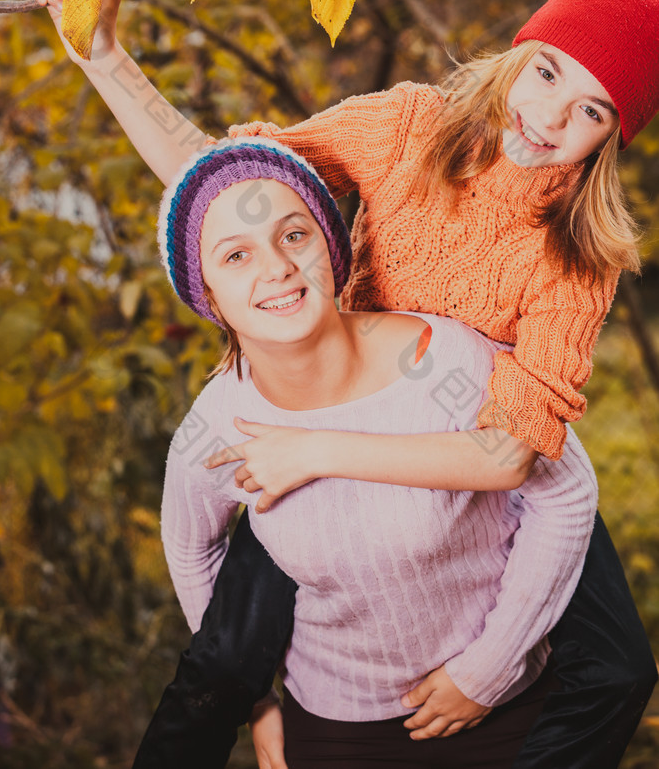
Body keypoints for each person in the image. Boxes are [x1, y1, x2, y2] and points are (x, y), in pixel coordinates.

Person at [33, 0, 659, 768]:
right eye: (546, 74)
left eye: (590, 111)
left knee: (616, 671)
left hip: (474, 448)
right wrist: (105, 60)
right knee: (225, 659)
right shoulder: (406, 127)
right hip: (340, 391)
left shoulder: (577, 253)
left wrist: (482, 669)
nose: (547, 117)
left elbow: (512, 456)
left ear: (611, 135)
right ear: (519, 54)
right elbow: (227, 187)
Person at [156, 136, 599, 769]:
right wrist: (254, 701)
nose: (277, 268)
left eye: (294, 236)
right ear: (207, 296)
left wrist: (489, 670)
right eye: (235, 255)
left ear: (331, 247)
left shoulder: (445, 361)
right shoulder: (214, 431)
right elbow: (190, 546)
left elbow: (566, 496)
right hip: (336, 730)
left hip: (504, 712)